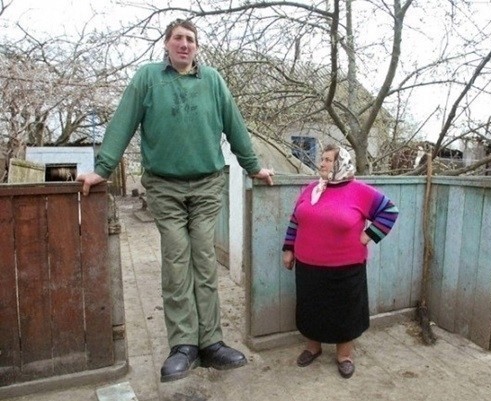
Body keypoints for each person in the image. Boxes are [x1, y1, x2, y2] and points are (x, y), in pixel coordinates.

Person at [77, 18, 274, 382]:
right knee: (175, 259)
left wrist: (253, 168)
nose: (185, 44)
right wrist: (103, 168)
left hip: (206, 184)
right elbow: (122, 122)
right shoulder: (148, 79)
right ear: (167, 44)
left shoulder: (212, 80)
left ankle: (211, 342)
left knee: (203, 258)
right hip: (165, 187)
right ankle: (184, 346)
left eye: (191, 40)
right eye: (178, 39)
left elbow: (235, 125)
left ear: (197, 47)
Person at [282, 144, 398, 379]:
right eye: (322, 159)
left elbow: (390, 211)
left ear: (341, 163)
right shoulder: (312, 189)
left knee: (345, 312)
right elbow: (296, 220)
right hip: (308, 265)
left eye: (327, 160)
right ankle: (312, 348)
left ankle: (344, 356)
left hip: (346, 269)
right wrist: (288, 248)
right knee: (311, 308)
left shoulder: (360, 191)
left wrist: (369, 235)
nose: (322, 163)